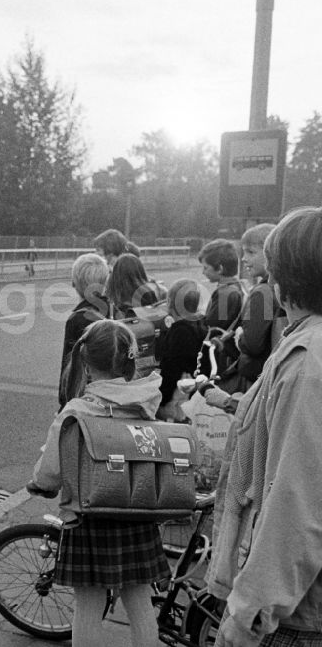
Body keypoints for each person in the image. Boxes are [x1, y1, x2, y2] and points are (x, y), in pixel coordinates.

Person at [207, 206, 322, 647]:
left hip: (295, 617)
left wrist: (247, 614)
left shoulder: (307, 360)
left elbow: (296, 501)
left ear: (284, 274)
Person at [29, 319, 168, 647]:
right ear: (129, 362)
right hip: (137, 515)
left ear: (86, 365)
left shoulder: (76, 412)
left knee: (89, 607)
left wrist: (40, 485)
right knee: (140, 604)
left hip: (87, 519)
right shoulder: (145, 401)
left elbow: (50, 472)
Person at [234, 223, 284, 384]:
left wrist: (240, 337)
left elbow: (253, 344)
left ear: (270, 254)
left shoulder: (262, 292)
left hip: (258, 378)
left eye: (251, 252)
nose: (243, 258)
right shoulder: (284, 288)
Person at [59, 253, 110, 406]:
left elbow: (70, 368)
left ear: (74, 283)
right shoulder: (112, 310)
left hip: (85, 401)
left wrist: (64, 404)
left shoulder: (77, 319)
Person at [153, 279, 204, 421]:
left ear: (169, 302)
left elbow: (171, 369)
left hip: (178, 397)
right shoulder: (200, 324)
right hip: (194, 392)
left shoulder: (179, 331)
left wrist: (160, 399)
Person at [198, 238, 243, 331]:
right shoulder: (236, 286)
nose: (203, 272)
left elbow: (211, 327)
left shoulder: (225, 294)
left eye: (205, 268)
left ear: (219, 268)